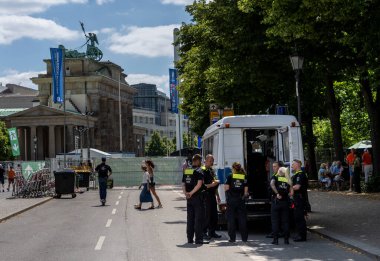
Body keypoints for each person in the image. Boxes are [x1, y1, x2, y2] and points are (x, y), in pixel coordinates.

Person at [182, 154, 208, 244]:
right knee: (198, 219)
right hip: (197, 198)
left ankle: (189, 239)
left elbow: (183, 184)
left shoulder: (187, 171)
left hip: (189, 199)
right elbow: (199, 184)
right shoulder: (199, 171)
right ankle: (199, 239)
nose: (201, 163)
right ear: (197, 161)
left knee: (190, 219)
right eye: (200, 161)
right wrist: (191, 193)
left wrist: (186, 193)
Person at [225, 162, 249, 243]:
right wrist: (243, 196)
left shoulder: (230, 176)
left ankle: (232, 238)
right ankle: (244, 238)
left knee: (231, 219)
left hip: (231, 200)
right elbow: (246, 192)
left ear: (233, 168)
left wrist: (228, 198)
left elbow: (226, 188)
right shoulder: (244, 176)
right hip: (240, 200)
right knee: (242, 219)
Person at [270, 167, 293, 245]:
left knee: (275, 221)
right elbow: (291, 193)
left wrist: (277, 193)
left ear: (279, 171)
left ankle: (275, 240)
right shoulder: (288, 179)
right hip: (285, 202)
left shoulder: (275, 177)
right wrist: (286, 194)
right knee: (285, 222)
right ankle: (286, 240)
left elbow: (272, 184)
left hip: (276, 202)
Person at [202, 154, 221, 239]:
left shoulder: (211, 170)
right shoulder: (202, 171)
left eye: (212, 161)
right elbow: (202, 185)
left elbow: (215, 183)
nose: (211, 162)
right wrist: (212, 185)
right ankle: (203, 232)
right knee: (207, 215)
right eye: (210, 161)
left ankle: (212, 232)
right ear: (205, 161)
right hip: (206, 195)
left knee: (214, 215)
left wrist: (218, 195)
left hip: (212, 195)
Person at [291, 159, 308, 242]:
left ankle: (302, 236)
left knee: (300, 217)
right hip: (297, 198)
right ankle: (299, 235)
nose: (291, 166)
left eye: (293, 164)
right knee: (297, 217)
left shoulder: (300, 175)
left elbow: (297, 187)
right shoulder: (297, 174)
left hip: (299, 198)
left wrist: (289, 188)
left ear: (297, 165)